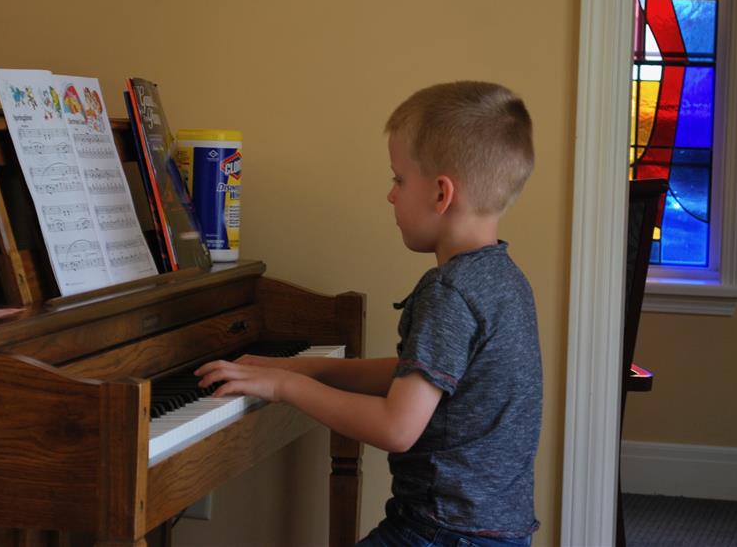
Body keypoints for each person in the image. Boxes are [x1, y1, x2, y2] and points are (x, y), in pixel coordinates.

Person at [195, 81, 542, 546]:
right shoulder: (504, 279)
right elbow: (420, 376)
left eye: (398, 179)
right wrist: (306, 367)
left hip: (439, 534)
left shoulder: (449, 292)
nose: (391, 195)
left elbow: (396, 427)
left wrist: (286, 386)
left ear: (442, 194)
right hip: (494, 531)